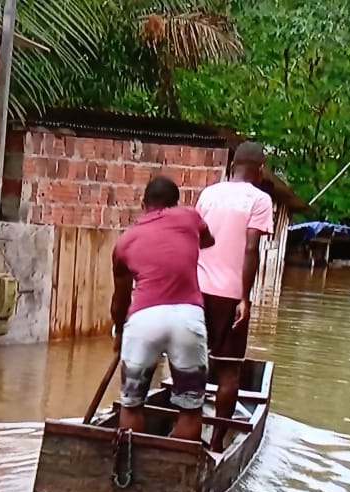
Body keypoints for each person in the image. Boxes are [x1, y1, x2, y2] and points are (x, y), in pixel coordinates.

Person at [111, 176, 215, 441]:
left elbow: (120, 301)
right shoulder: (190, 218)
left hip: (143, 320)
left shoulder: (125, 242)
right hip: (187, 318)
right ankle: (176, 468)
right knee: (191, 410)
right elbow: (208, 241)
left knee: (131, 404)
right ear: (176, 202)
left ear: (143, 203)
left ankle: (130, 465)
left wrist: (120, 334)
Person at [195, 141, 274, 450]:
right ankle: (215, 443)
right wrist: (245, 297)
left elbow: (197, 240)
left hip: (198, 290)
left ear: (233, 165)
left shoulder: (208, 194)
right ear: (260, 169)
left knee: (193, 363)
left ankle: (186, 431)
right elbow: (251, 249)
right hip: (229, 294)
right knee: (229, 369)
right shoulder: (260, 200)